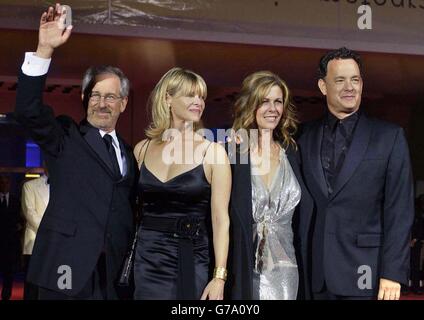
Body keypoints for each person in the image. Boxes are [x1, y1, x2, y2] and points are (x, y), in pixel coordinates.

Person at [14, 3, 138, 299]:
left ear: (123, 103)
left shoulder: (131, 154)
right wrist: (44, 49)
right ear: (83, 98)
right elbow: (28, 110)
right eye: (94, 95)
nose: (101, 103)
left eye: (110, 96)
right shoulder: (66, 136)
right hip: (64, 270)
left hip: (114, 275)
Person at [298, 47, 414, 300]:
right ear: (322, 86)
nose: (349, 87)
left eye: (355, 79)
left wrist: (393, 272)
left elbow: (400, 211)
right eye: (340, 80)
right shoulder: (302, 136)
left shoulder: (389, 137)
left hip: (367, 273)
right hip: (313, 275)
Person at [133, 67, 231, 300]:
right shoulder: (142, 150)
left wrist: (219, 276)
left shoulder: (213, 152)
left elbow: (220, 220)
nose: (199, 102)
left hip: (190, 257)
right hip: (146, 259)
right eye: (190, 95)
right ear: (168, 98)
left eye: (201, 97)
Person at [226, 71, 313, 300]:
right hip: (246, 269)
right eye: (264, 101)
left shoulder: (293, 152)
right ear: (250, 105)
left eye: (278, 102)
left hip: (288, 270)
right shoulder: (234, 153)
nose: (272, 108)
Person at [21, 166, 50, 300]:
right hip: (35, 242)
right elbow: (29, 212)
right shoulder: (29, 186)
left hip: (57, 245)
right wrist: (49, 230)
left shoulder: (64, 188)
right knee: (32, 284)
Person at [0, 175, 21, 300]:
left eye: (6, 182)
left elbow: (19, 221)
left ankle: (6, 296)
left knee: (9, 274)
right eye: (1, 182)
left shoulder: (15, 201)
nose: (4, 185)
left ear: (10, 184)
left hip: (10, 245)